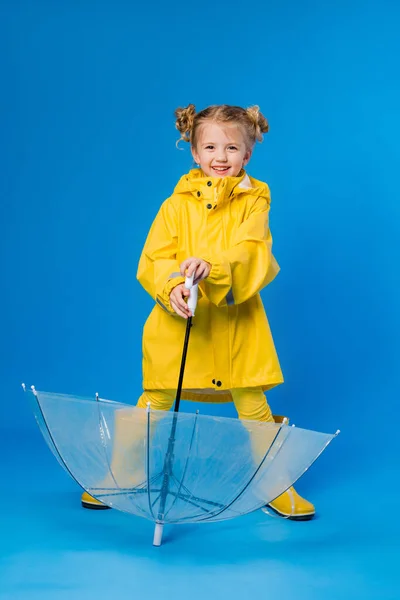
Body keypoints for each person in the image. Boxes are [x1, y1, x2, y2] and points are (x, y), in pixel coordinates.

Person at [81, 104, 315, 520]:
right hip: (179, 326)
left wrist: (215, 267)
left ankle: (276, 482)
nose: (220, 157)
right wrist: (172, 285)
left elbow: (253, 249)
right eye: (209, 146)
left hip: (236, 324)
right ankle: (119, 476)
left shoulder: (255, 203)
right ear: (193, 151)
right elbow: (155, 257)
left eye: (231, 148)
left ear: (247, 155)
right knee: (155, 398)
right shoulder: (175, 206)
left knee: (252, 402)